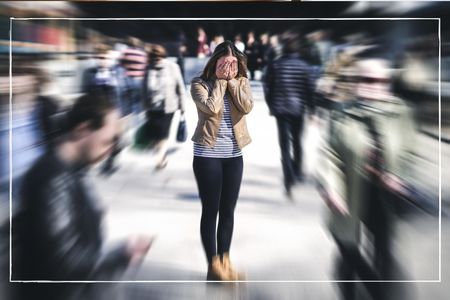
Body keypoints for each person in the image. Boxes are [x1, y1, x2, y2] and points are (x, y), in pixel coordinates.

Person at [12, 91, 153, 299]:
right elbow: (65, 265)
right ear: (83, 129)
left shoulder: (71, 170)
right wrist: (123, 254)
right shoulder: (53, 180)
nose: (112, 149)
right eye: (108, 141)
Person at [316, 56, 416, 300]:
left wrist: (399, 176)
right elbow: (329, 154)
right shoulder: (341, 114)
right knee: (348, 246)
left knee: (383, 248)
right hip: (349, 191)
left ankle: (381, 290)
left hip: (383, 194)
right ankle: (353, 292)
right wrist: (332, 188)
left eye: (382, 80)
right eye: (368, 79)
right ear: (356, 82)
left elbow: (408, 151)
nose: (375, 85)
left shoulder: (399, 112)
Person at [190, 40, 253, 281]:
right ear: (215, 62)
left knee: (228, 211)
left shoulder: (242, 82)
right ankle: (212, 265)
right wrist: (220, 81)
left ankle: (225, 261)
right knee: (211, 210)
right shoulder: (200, 84)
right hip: (208, 155)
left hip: (234, 156)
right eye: (225, 63)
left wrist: (233, 83)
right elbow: (211, 108)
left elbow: (246, 107)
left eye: (234, 63)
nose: (230, 67)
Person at [263, 30, 315, 198]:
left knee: (284, 147)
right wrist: (312, 109)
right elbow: (310, 90)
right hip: (298, 109)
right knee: (298, 141)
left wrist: (271, 105)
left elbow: (268, 87)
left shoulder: (276, 65)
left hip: (281, 110)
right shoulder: (304, 66)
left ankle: (288, 179)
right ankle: (297, 171)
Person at [142, 44, 186, 170]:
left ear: (163, 56)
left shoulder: (173, 67)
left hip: (168, 107)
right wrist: (144, 107)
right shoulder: (148, 69)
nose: (157, 60)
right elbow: (143, 89)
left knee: (163, 133)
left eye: (159, 57)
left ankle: (160, 159)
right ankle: (161, 153)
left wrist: (183, 108)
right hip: (152, 107)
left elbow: (180, 87)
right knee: (155, 135)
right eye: (154, 58)